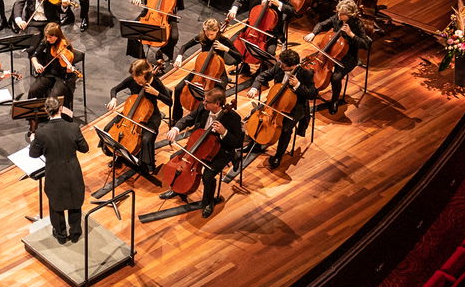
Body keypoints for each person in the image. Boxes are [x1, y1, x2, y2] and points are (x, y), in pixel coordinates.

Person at [159, 85, 246, 218]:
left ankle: (208, 202)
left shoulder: (232, 117)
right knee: (178, 161)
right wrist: (176, 128)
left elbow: (237, 142)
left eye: (207, 101)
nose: (203, 102)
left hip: (221, 151)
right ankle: (178, 189)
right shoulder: (202, 108)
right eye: (204, 100)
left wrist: (224, 132)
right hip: (198, 145)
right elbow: (188, 119)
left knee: (208, 176)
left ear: (217, 103)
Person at [243, 48, 320, 169]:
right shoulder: (279, 66)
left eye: (283, 64)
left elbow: (312, 93)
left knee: (285, 129)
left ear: (293, 65)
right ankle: (255, 142)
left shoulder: (305, 73)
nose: (280, 65)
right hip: (275, 101)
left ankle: (278, 156)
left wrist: (298, 85)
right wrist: (254, 88)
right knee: (256, 114)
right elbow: (263, 76)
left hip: (295, 107)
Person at [30, 105, 90, 243]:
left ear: (46, 111)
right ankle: (75, 233)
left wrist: (34, 140)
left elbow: (33, 154)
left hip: (54, 173)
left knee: (55, 203)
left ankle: (61, 235)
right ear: (60, 109)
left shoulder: (41, 133)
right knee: (75, 201)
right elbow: (85, 148)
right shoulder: (73, 127)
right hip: (72, 172)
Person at [305, 0, 373, 112]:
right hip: (330, 52)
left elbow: (365, 44)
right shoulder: (338, 17)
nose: (338, 15)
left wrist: (351, 34)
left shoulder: (357, 24)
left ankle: (334, 100)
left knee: (335, 78)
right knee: (308, 63)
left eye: (342, 14)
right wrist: (313, 32)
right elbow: (322, 24)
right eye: (338, 13)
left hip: (349, 57)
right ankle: (310, 89)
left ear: (350, 15)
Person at [105, 59, 172, 172]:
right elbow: (114, 89)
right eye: (134, 76)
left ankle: (147, 165)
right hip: (130, 112)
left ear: (144, 74)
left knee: (146, 139)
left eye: (137, 76)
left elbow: (170, 102)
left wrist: (157, 93)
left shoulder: (155, 83)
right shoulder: (132, 80)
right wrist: (113, 98)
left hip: (150, 116)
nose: (135, 78)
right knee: (108, 129)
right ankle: (120, 156)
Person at [30, 22, 82, 110]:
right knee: (33, 90)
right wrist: (36, 64)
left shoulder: (66, 47)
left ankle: (49, 114)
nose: (48, 39)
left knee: (52, 99)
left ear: (57, 36)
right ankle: (33, 113)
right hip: (49, 73)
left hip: (62, 76)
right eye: (46, 36)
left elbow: (67, 67)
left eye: (50, 37)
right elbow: (34, 55)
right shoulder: (46, 42)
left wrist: (68, 70)